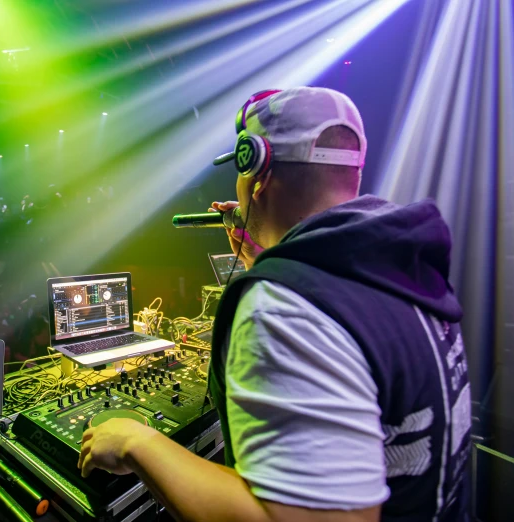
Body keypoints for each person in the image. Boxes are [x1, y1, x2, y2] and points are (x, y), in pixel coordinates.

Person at [78, 87, 470, 521]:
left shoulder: (284, 306)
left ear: (254, 168)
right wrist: (264, 258)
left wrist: (137, 442)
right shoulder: (396, 261)